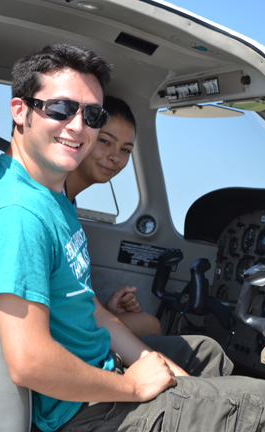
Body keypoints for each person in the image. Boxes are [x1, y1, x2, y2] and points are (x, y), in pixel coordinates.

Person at [0, 43, 265, 432]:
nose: (78, 126)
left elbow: (86, 307)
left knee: (203, 354)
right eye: (60, 108)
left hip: (99, 377)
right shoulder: (19, 213)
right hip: (83, 413)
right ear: (20, 111)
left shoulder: (52, 195)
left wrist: (155, 367)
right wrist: (132, 385)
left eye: (91, 114)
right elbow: (30, 363)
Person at [64, 95, 162, 337]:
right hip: (64, 335)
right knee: (151, 326)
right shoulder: (49, 201)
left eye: (125, 150)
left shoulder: (69, 203)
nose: (116, 157)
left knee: (148, 324)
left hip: (74, 323)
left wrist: (105, 310)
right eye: (106, 142)